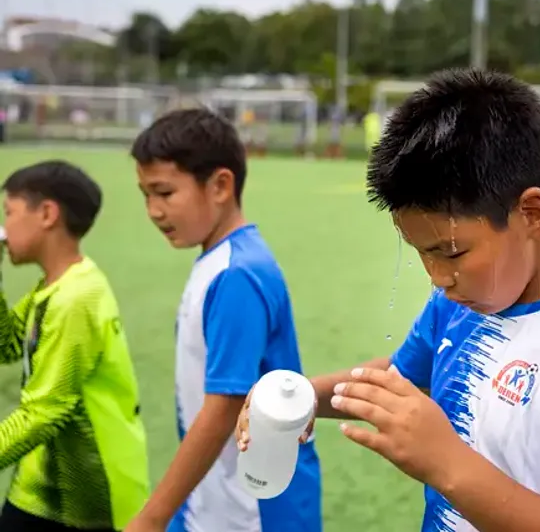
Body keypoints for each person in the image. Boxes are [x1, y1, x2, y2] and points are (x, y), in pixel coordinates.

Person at [236, 69, 540, 532]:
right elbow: (400, 377)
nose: (438, 277)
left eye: (451, 251)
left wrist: (448, 463)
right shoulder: (461, 303)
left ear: (532, 213)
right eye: (421, 254)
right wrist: (303, 396)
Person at [126, 108, 321, 532]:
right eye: (145, 195)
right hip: (215, 495)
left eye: (164, 193)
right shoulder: (220, 259)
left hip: (254, 506)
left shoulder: (238, 273)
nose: (154, 211)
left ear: (220, 185)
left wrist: (152, 517)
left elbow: (223, 407)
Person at [0, 160, 150, 532]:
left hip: (83, 502)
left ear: (47, 214)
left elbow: (43, 413)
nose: (4, 228)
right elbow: (5, 347)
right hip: (38, 489)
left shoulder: (77, 298)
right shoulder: (54, 287)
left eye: (9, 212)